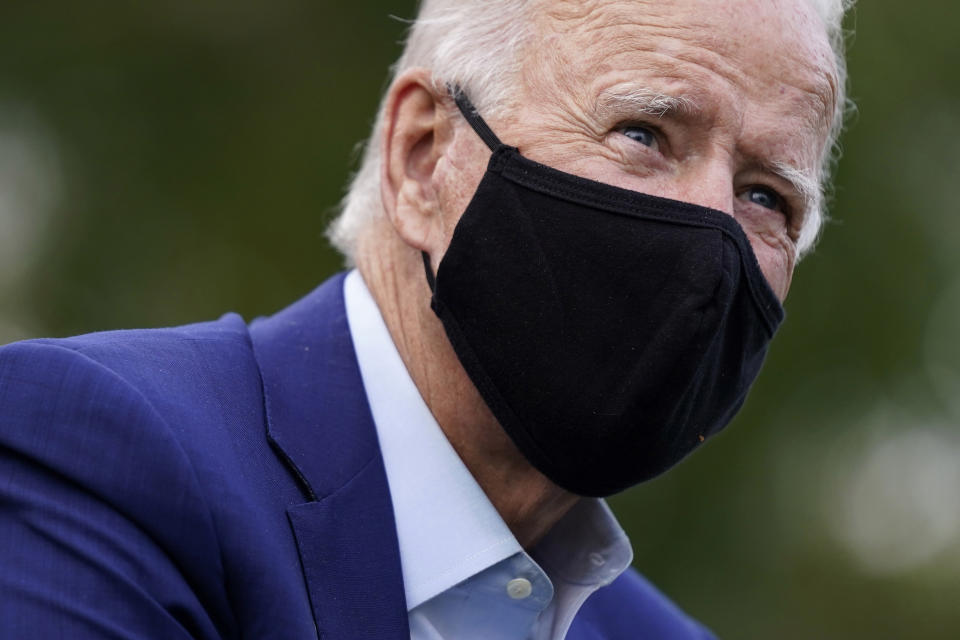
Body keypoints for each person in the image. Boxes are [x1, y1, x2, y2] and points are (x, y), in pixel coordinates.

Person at [0, 0, 853, 637]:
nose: (708, 232)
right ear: (424, 156)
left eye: (764, 195)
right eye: (643, 134)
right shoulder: (106, 462)